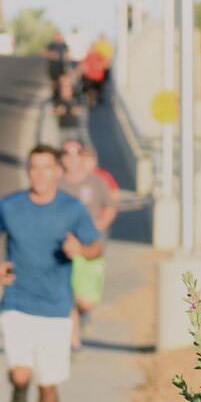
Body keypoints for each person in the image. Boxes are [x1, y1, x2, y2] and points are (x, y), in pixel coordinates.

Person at [0, 143, 101, 402]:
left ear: (58, 172)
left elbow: (95, 246)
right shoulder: (9, 205)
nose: (39, 174)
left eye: (46, 167)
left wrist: (80, 250)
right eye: (34, 167)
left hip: (57, 308)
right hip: (17, 302)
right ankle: (18, 391)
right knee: (21, 373)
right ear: (27, 171)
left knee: (48, 385)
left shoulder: (72, 208)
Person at [58, 137, 118, 348]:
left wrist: (97, 227)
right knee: (68, 295)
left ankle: (83, 316)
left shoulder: (95, 182)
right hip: (63, 249)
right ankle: (74, 341)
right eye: (66, 154)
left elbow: (110, 208)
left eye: (75, 153)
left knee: (86, 301)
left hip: (90, 249)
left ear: (82, 156)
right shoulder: (57, 183)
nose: (71, 159)